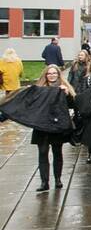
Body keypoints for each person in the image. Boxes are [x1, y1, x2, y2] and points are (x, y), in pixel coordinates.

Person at [1, 64, 75, 192]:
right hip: (41, 125)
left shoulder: (63, 88)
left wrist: (67, 95)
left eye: (54, 73)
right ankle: (44, 181)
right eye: (49, 73)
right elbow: (25, 103)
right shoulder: (39, 89)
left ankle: (58, 179)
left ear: (58, 75)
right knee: (42, 152)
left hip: (56, 126)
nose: (52, 76)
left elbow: (72, 105)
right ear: (45, 75)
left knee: (57, 152)